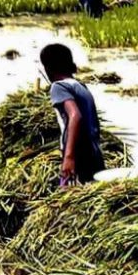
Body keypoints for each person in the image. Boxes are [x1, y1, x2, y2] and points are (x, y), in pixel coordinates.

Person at [40, 43, 105, 186]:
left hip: (79, 154)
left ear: (48, 68)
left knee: (68, 194)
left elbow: (75, 115)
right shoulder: (81, 87)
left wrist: (69, 157)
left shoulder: (59, 87)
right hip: (94, 153)